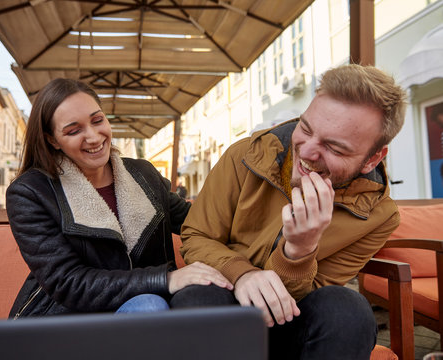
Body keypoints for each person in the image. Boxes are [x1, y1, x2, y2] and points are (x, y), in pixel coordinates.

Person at [171, 64, 407, 360]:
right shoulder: (243, 156)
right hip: (224, 297)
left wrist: (299, 251)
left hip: (292, 318)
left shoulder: (379, 217)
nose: (306, 152)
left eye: (334, 147)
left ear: (372, 158)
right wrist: (243, 273)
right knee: (196, 298)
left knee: (349, 311)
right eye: (305, 128)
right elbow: (197, 235)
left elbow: (318, 292)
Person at [6, 78, 232, 319]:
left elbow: (200, 222)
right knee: (149, 306)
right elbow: (69, 283)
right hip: (65, 320)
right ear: (52, 139)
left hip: (145, 314)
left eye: (97, 120)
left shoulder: (143, 175)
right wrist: (165, 279)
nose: (93, 136)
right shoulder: (30, 192)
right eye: (74, 130)